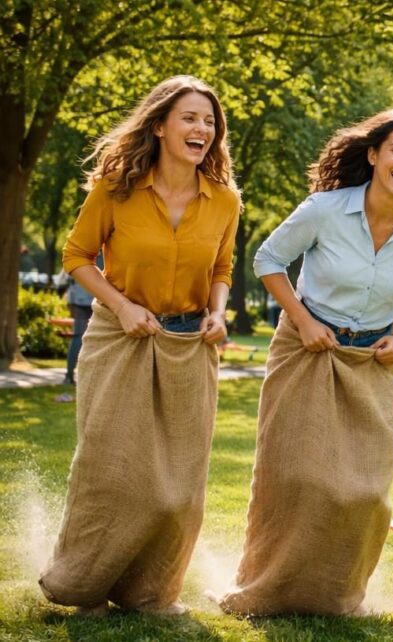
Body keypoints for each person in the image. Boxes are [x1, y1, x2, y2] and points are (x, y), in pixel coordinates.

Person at [219, 107, 393, 616]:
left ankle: (334, 595)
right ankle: (262, 588)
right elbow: (268, 260)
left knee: (364, 493)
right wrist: (303, 320)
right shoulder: (324, 209)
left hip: (373, 357)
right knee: (296, 476)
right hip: (305, 348)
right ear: (373, 155)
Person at [41, 76, 240, 616]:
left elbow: (222, 268)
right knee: (112, 470)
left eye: (209, 121)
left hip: (187, 345)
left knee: (177, 482)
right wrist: (124, 306)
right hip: (119, 337)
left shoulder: (224, 200)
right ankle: (84, 587)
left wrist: (218, 314)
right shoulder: (116, 189)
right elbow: (77, 255)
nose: (203, 129)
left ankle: (151, 593)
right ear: (159, 126)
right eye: (190, 118)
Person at [63, 272, 96, 385]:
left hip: (77, 299)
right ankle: (90, 377)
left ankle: (69, 375)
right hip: (96, 299)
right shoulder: (103, 255)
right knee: (95, 340)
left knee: (77, 337)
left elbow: (68, 279)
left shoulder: (78, 254)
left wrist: (70, 301)